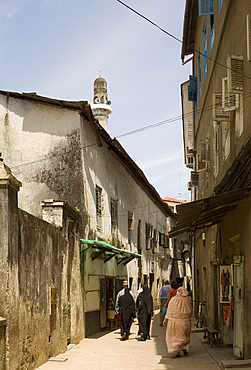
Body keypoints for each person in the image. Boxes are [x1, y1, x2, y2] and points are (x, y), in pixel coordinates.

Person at [163, 287, 192, 357]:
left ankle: (178, 352)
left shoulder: (173, 300)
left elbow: (169, 310)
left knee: (175, 336)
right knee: (184, 335)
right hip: (185, 321)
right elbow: (190, 310)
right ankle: (184, 348)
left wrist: (165, 319)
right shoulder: (188, 300)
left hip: (175, 321)